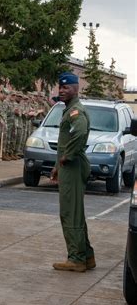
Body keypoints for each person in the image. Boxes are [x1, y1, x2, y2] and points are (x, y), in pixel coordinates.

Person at [50, 72, 95, 273]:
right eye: (60, 87)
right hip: (68, 166)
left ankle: (76, 259)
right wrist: (58, 166)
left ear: (77, 89)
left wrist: (67, 157)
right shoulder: (68, 109)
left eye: (66, 87)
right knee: (75, 212)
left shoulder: (76, 111)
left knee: (70, 212)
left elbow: (80, 132)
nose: (61, 90)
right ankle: (87, 256)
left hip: (74, 166)